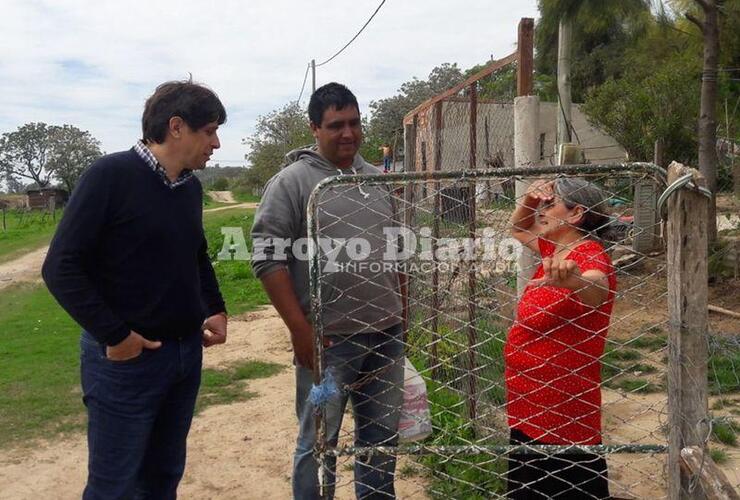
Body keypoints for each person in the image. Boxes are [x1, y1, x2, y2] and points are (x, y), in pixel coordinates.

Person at [42, 79, 229, 500]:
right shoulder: (110, 175)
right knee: (115, 486)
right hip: (126, 363)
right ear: (176, 126)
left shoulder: (190, 188)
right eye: (210, 131)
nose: (216, 143)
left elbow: (195, 254)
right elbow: (60, 267)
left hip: (185, 356)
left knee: (163, 478)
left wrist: (214, 307)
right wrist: (116, 336)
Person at [251, 82, 405, 500]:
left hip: (386, 336)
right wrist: (301, 330)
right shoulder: (292, 183)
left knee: (381, 443)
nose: (348, 134)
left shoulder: (378, 179)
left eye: (355, 123)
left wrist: (402, 314)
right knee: (319, 444)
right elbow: (268, 258)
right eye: (336, 125)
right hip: (329, 341)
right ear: (314, 128)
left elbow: (397, 248)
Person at [504, 177, 617, 499]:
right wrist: (528, 199)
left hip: (562, 410)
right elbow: (518, 229)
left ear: (576, 213)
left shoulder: (590, 256)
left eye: (549, 205)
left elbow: (599, 287)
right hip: (528, 402)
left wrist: (577, 281)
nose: (541, 210)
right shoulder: (554, 248)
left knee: (564, 488)